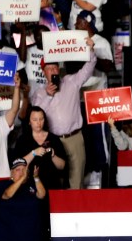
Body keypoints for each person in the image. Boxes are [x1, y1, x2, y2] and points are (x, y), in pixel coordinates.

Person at [29, 35, 96, 190]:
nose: (52, 70)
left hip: (74, 138)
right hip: (52, 141)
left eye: (54, 67)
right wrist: (48, 95)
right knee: (54, 181)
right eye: (49, 68)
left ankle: (75, 212)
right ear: (43, 72)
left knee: (76, 180)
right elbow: (36, 117)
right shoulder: (39, 93)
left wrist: (91, 50)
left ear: (58, 69)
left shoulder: (71, 81)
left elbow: (88, 68)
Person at [0, 158, 48, 241]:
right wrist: (21, 179)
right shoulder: (4, 185)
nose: (22, 172)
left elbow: (42, 194)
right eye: (18, 170)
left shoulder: (32, 185)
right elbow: (7, 195)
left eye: (24, 169)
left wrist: (36, 178)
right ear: (11, 173)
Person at [14, 106, 67, 189]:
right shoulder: (22, 140)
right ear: (29, 121)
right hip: (30, 186)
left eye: (41, 119)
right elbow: (18, 165)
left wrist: (53, 155)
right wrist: (34, 153)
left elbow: (62, 166)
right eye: (35, 120)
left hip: (52, 184)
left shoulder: (54, 138)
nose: (38, 123)